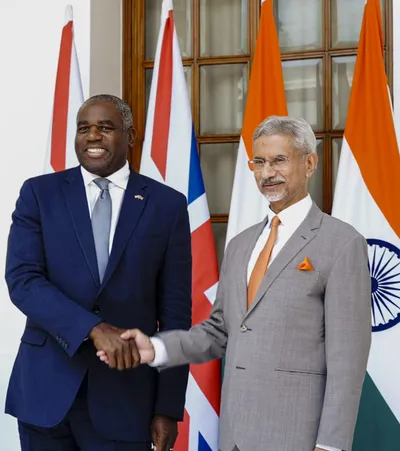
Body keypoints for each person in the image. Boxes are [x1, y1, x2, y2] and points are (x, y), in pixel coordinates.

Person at [100, 116, 372, 451]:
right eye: (259, 162)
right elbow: (219, 331)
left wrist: (331, 445)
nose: (267, 173)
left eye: (279, 160)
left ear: (310, 164)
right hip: (235, 436)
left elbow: (348, 359)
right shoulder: (241, 244)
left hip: (298, 437)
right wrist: (157, 348)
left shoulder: (342, 243)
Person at [5, 94, 192, 451]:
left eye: (105, 127)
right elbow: (23, 281)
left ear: (130, 136)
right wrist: (93, 329)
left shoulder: (167, 205)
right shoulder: (39, 194)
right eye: (83, 128)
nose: (93, 136)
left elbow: (175, 313)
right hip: (45, 395)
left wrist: (168, 407)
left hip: (127, 399)